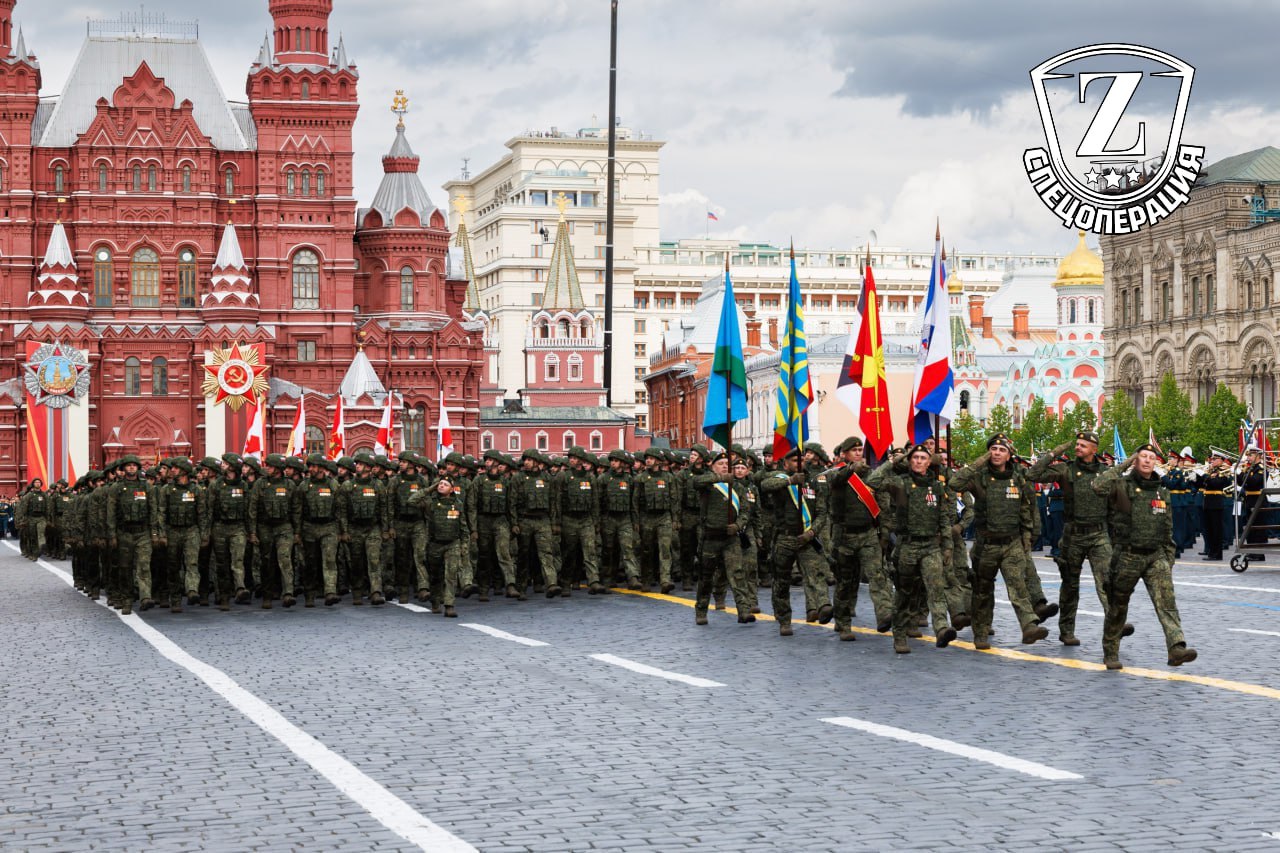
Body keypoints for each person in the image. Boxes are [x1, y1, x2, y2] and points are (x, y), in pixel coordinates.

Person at [1091, 445, 1197, 670]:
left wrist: (1168, 558)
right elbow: (1097, 486)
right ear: (1135, 461)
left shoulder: (1161, 491)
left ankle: (1176, 647)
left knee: (1167, 603)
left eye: (1151, 457)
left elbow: (1167, 527)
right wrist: (1124, 465)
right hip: (1127, 556)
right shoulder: (1121, 486)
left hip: (1155, 556)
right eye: (1142, 457)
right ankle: (1111, 651)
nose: (1147, 461)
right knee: (1117, 606)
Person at [950, 435, 1048, 650]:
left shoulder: (1019, 476)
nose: (996, 453)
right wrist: (978, 462)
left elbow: (1027, 506)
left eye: (1001, 450)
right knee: (982, 591)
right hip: (986, 545)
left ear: (1009, 454)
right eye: (992, 449)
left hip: (1011, 542)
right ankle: (981, 632)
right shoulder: (980, 476)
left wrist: (1030, 534)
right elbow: (954, 482)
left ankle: (1029, 626)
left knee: (1018, 585)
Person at [1029, 431, 1120, 646]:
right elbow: (1033, 474)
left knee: (1107, 582)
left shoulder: (1104, 472)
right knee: (1070, 585)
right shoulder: (1066, 469)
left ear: (1094, 449)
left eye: (1083, 445)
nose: (1078, 448)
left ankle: (1115, 625)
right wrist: (1055, 451)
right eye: (1077, 444)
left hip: (1099, 534)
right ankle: (1066, 630)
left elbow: (1115, 505)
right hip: (1073, 535)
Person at [868, 444, 954, 654]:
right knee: (904, 593)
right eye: (914, 457)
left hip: (931, 546)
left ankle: (942, 628)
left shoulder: (936, 486)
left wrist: (948, 546)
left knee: (935, 588)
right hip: (907, 546)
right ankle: (899, 635)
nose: (918, 461)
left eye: (923, 458)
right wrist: (895, 460)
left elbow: (943, 518)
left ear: (928, 462)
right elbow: (872, 482)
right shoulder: (900, 483)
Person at [761, 447, 831, 637]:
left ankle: (824, 605)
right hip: (785, 538)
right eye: (793, 461)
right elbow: (766, 485)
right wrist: (791, 481)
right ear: (785, 464)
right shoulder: (781, 480)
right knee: (782, 581)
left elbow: (822, 512)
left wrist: (812, 532)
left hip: (806, 537)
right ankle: (784, 619)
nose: (798, 464)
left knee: (815, 573)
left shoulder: (813, 483)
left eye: (801, 460)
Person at [828, 436, 891, 640]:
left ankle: (884, 615)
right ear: (844, 454)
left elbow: (882, 504)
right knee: (846, 582)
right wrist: (850, 470)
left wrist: (884, 531)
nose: (857, 453)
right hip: (845, 536)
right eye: (853, 451)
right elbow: (836, 482)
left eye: (859, 450)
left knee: (877, 576)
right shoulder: (835, 474)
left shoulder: (870, 475)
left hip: (868, 534)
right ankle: (843, 623)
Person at [691, 452, 755, 625]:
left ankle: (744, 611)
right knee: (706, 577)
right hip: (710, 538)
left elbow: (745, 511)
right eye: (721, 464)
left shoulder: (738, 487)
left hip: (731, 538)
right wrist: (718, 477)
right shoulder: (708, 484)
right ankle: (701, 610)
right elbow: (696, 482)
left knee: (737, 574)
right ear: (713, 466)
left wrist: (738, 525)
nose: (726, 466)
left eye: (728, 464)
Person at [1200, 451, 1232, 561]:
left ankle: (1217, 554)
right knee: (1209, 529)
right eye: (1212, 459)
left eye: (1215, 459)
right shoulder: (1211, 471)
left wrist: (1205, 476)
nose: (1212, 461)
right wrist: (1198, 477)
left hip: (1216, 503)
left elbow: (1216, 484)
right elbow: (1202, 484)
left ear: (1221, 460)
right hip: (1208, 502)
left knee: (1216, 530)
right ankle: (1211, 552)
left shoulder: (1223, 471)